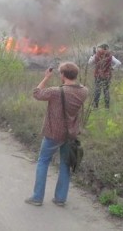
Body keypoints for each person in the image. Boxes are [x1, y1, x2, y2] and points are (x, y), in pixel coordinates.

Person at [25, 62, 88, 207]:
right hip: (70, 135)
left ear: (63, 75)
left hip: (53, 134)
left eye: (60, 73)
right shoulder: (84, 91)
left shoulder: (56, 92)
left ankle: (37, 197)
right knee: (65, 165)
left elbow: (36, 93)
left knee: (43, 162)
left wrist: (46, 77)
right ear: (76, 75)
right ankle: (60, 199)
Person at [88, 43, 121, 108]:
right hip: (107, 76)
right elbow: (118, 63)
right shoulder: (110, 56)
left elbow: (89, 63)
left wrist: (91, 56)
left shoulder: (96, 55)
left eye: (100, 48)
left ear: (102, 48)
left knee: (97, 91)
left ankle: (95, 106)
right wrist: (113, 68)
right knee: (106, 91)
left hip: (98, 76)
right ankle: (107, 107)